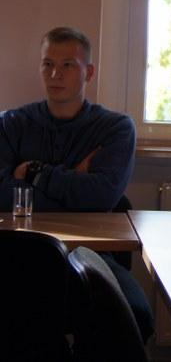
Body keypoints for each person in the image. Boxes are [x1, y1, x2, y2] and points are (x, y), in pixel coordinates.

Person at [0, 26, 154, 342]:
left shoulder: (115, 128)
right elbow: (1, 195)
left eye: (68, 65)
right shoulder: (10, 124)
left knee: (135, 315)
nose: (55, 74)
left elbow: (102, 197)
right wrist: (75, 184)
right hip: (17, 255)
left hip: (91, 255)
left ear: (89, 72)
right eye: (48, 64)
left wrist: (34, 173)